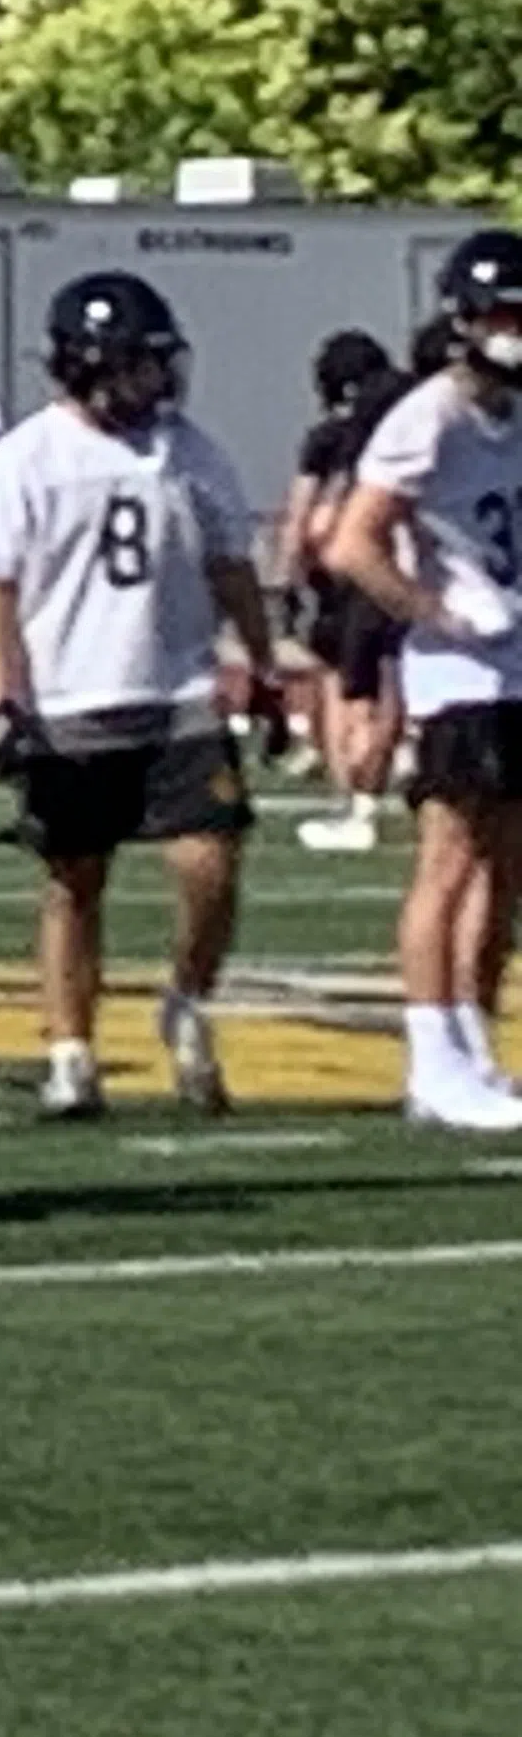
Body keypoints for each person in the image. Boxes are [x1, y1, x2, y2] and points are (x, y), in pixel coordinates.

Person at [0, 274, 281, 1120]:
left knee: (211, 862)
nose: (157, 381)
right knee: (74, 881)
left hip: (177, 686)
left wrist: (264, 661)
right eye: (139, 364)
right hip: (70, 697)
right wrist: (3, 696)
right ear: (89, 366)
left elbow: (230, 565)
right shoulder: (25, 459)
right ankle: (71, 1050)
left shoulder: (189, 449)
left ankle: (185, 997)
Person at [322, 233, 522, 1133]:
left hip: (514, 665)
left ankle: (474, 1045)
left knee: (505, 865)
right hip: (460, 672)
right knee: (448, 861)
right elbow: (352, 542)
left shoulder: (512, 412)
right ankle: (432, 1054)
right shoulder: (429, 415)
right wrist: (435, 613)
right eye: (503, 315)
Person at [288, 330, 409, 854]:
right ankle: (374, 782)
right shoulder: (413, 435)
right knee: (390, 690)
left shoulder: (335, 441)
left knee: (344, 686)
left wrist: (292, 574)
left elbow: (308, 520)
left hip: (353, 582)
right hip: (401, 576)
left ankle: (354, 800)